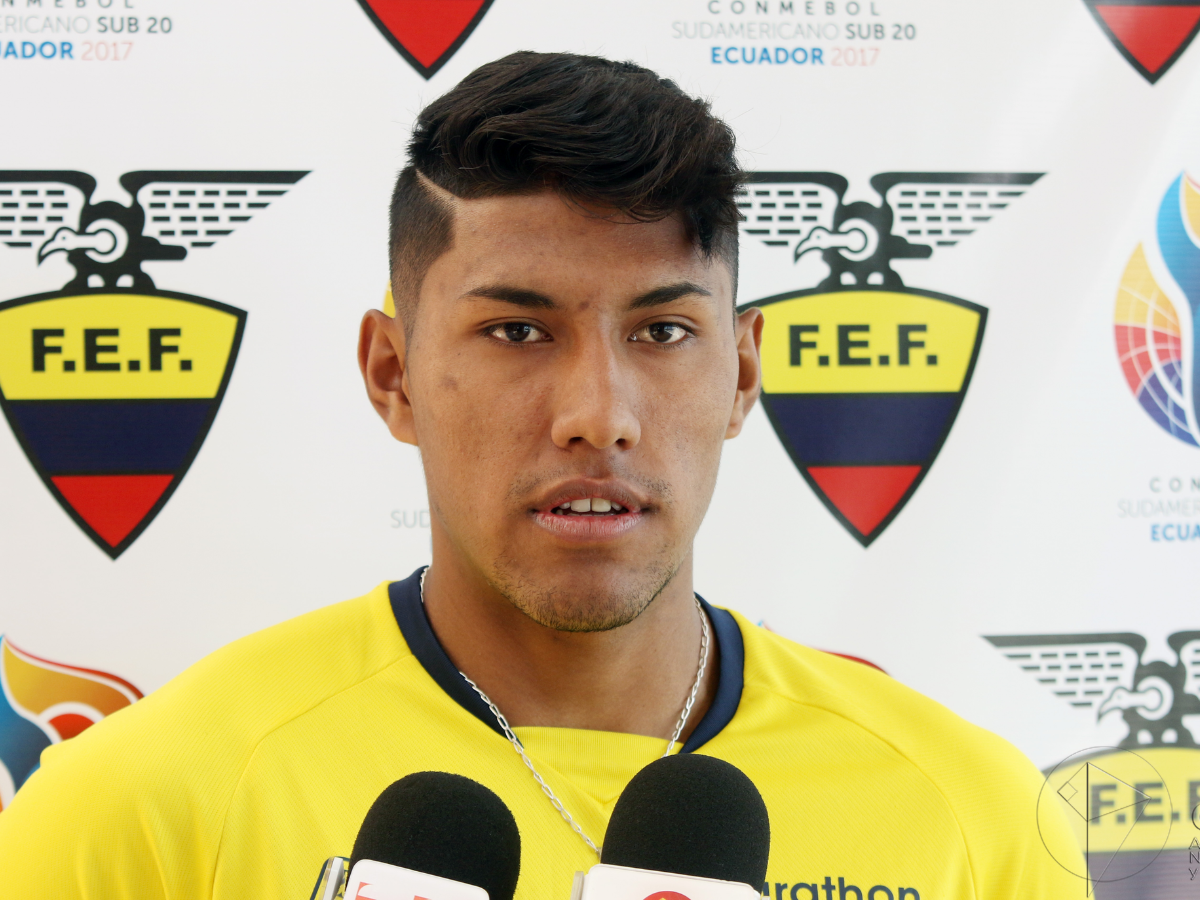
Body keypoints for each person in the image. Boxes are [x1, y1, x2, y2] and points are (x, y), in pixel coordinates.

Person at [0, 51, 1082, 899]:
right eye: (517, 331)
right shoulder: (144, 808)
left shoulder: (972, 819)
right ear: (393, 375)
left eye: (663, 331)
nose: (597, 417)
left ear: (743, 374)